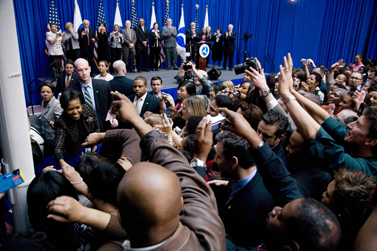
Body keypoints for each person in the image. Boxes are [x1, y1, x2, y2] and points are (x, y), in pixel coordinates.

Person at [109, 94, 226, 250]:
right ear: (181, 205)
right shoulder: (210, 238)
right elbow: (187, 180)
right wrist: (135, 119)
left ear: (120, 219)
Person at [209, 130, 274, 247]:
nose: (215, 160)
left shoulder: (254, 205)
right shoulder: (253, 172)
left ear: (234, 161)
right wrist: (229, 184)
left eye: (218, 157)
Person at [54, 89, 100, 168]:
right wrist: (62, 163)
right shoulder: (61, 123)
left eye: (77, 107)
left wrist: (96, 140)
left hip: (94, 148)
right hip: (75, 153)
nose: (75, 112)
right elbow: (58, 147)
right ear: (64, 109)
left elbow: (97, 127)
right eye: (70, 109)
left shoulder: (88, 109)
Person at [66, 58, 113, 131]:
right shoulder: (70, 90)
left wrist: (112, 117)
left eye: (86, 69)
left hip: (104, 128)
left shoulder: (104, 85)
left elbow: (112, 105)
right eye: (80, 70)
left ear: (90, 69)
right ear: (75, 71)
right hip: (83, 131)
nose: (84, 72)